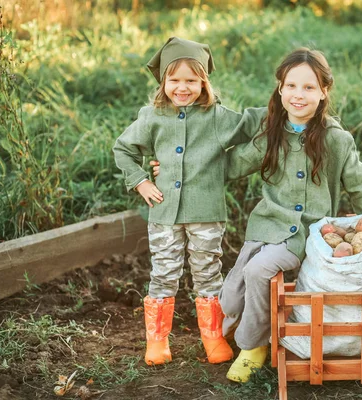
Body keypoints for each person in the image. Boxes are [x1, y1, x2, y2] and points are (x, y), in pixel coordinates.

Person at [153, 47, 362, 381]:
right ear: (280, 89)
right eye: (292, 86)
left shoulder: (336, 140)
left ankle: (253, 346)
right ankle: (249, 326)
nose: (299, 95)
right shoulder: (269, 133)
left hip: (309, 233)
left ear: (324, 92)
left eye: (309, 87)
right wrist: (173, 168)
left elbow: (360, 188)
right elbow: (227, 166)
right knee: (233, 290)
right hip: (267, 226)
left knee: (258, 271)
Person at [112, 37, 250, 366]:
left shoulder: (217, 116)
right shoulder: (152, 116)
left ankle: (213, 336)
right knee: (164, 273)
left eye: (191, 80)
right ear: (163, 82)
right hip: (163, 213)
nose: (182, 87)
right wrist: (141, 181)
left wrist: (220, 169)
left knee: (207, 273)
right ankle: (157, 341)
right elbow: (123, 149)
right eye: (174, 80)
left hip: (206, 213)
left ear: (204, 82)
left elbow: (253, 134)